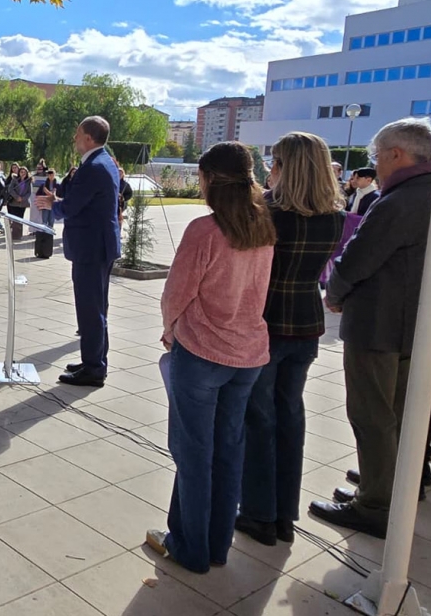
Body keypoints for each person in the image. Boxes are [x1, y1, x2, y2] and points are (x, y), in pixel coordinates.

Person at [312, 118, 431, 538]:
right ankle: (402, 482)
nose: (374, 165)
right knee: (405, 412)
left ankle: (376, 503)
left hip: (379, 328)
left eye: (376, 156)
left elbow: (358, 258)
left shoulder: (399, 201)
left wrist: (334, 293)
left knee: (373, 415)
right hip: (418, 325)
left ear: (397, 154)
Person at [145, 141, 276, 574]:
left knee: (193, 451)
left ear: (209, 179)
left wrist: (169, 331)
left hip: (203, 353)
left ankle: (189, 546)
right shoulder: (262, 226)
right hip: (248, 353)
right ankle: (217, 545)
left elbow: (177, 291)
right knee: (227, 448)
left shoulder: (205, 230)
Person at [236, 133, 346, 546]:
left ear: (286, 166)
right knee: (290, 415)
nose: (268, 167)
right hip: (305, 321)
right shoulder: (333, 216)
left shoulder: (268, 213)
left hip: (267, 322)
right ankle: (284, 514)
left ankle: (260, 513)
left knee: (260, 418)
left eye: (274, 161)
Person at [36, 116, 121, 388]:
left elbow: (72, 207)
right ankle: (93, 360)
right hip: (97, 245)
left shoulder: (94, 167)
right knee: (96, 308)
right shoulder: (104, 161)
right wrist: (59, 201)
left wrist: (53, 204)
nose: (74, 138)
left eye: (77, 133)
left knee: (90, 310)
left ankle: (94, 369)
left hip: (91, 248)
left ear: (88, 138)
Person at [3, 166, 32, 240]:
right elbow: (10, 189)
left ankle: (19, 235)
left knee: (20, 219)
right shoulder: (15, 180)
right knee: (14, 219)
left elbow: (29, 192)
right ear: (19, 173)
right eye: (21, 172)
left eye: (24, 172)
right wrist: (17, 197)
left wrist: (23, 198)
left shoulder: (28, 181)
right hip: (14, 203)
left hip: (23, 203)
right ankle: (13, 235)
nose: (23, 173)